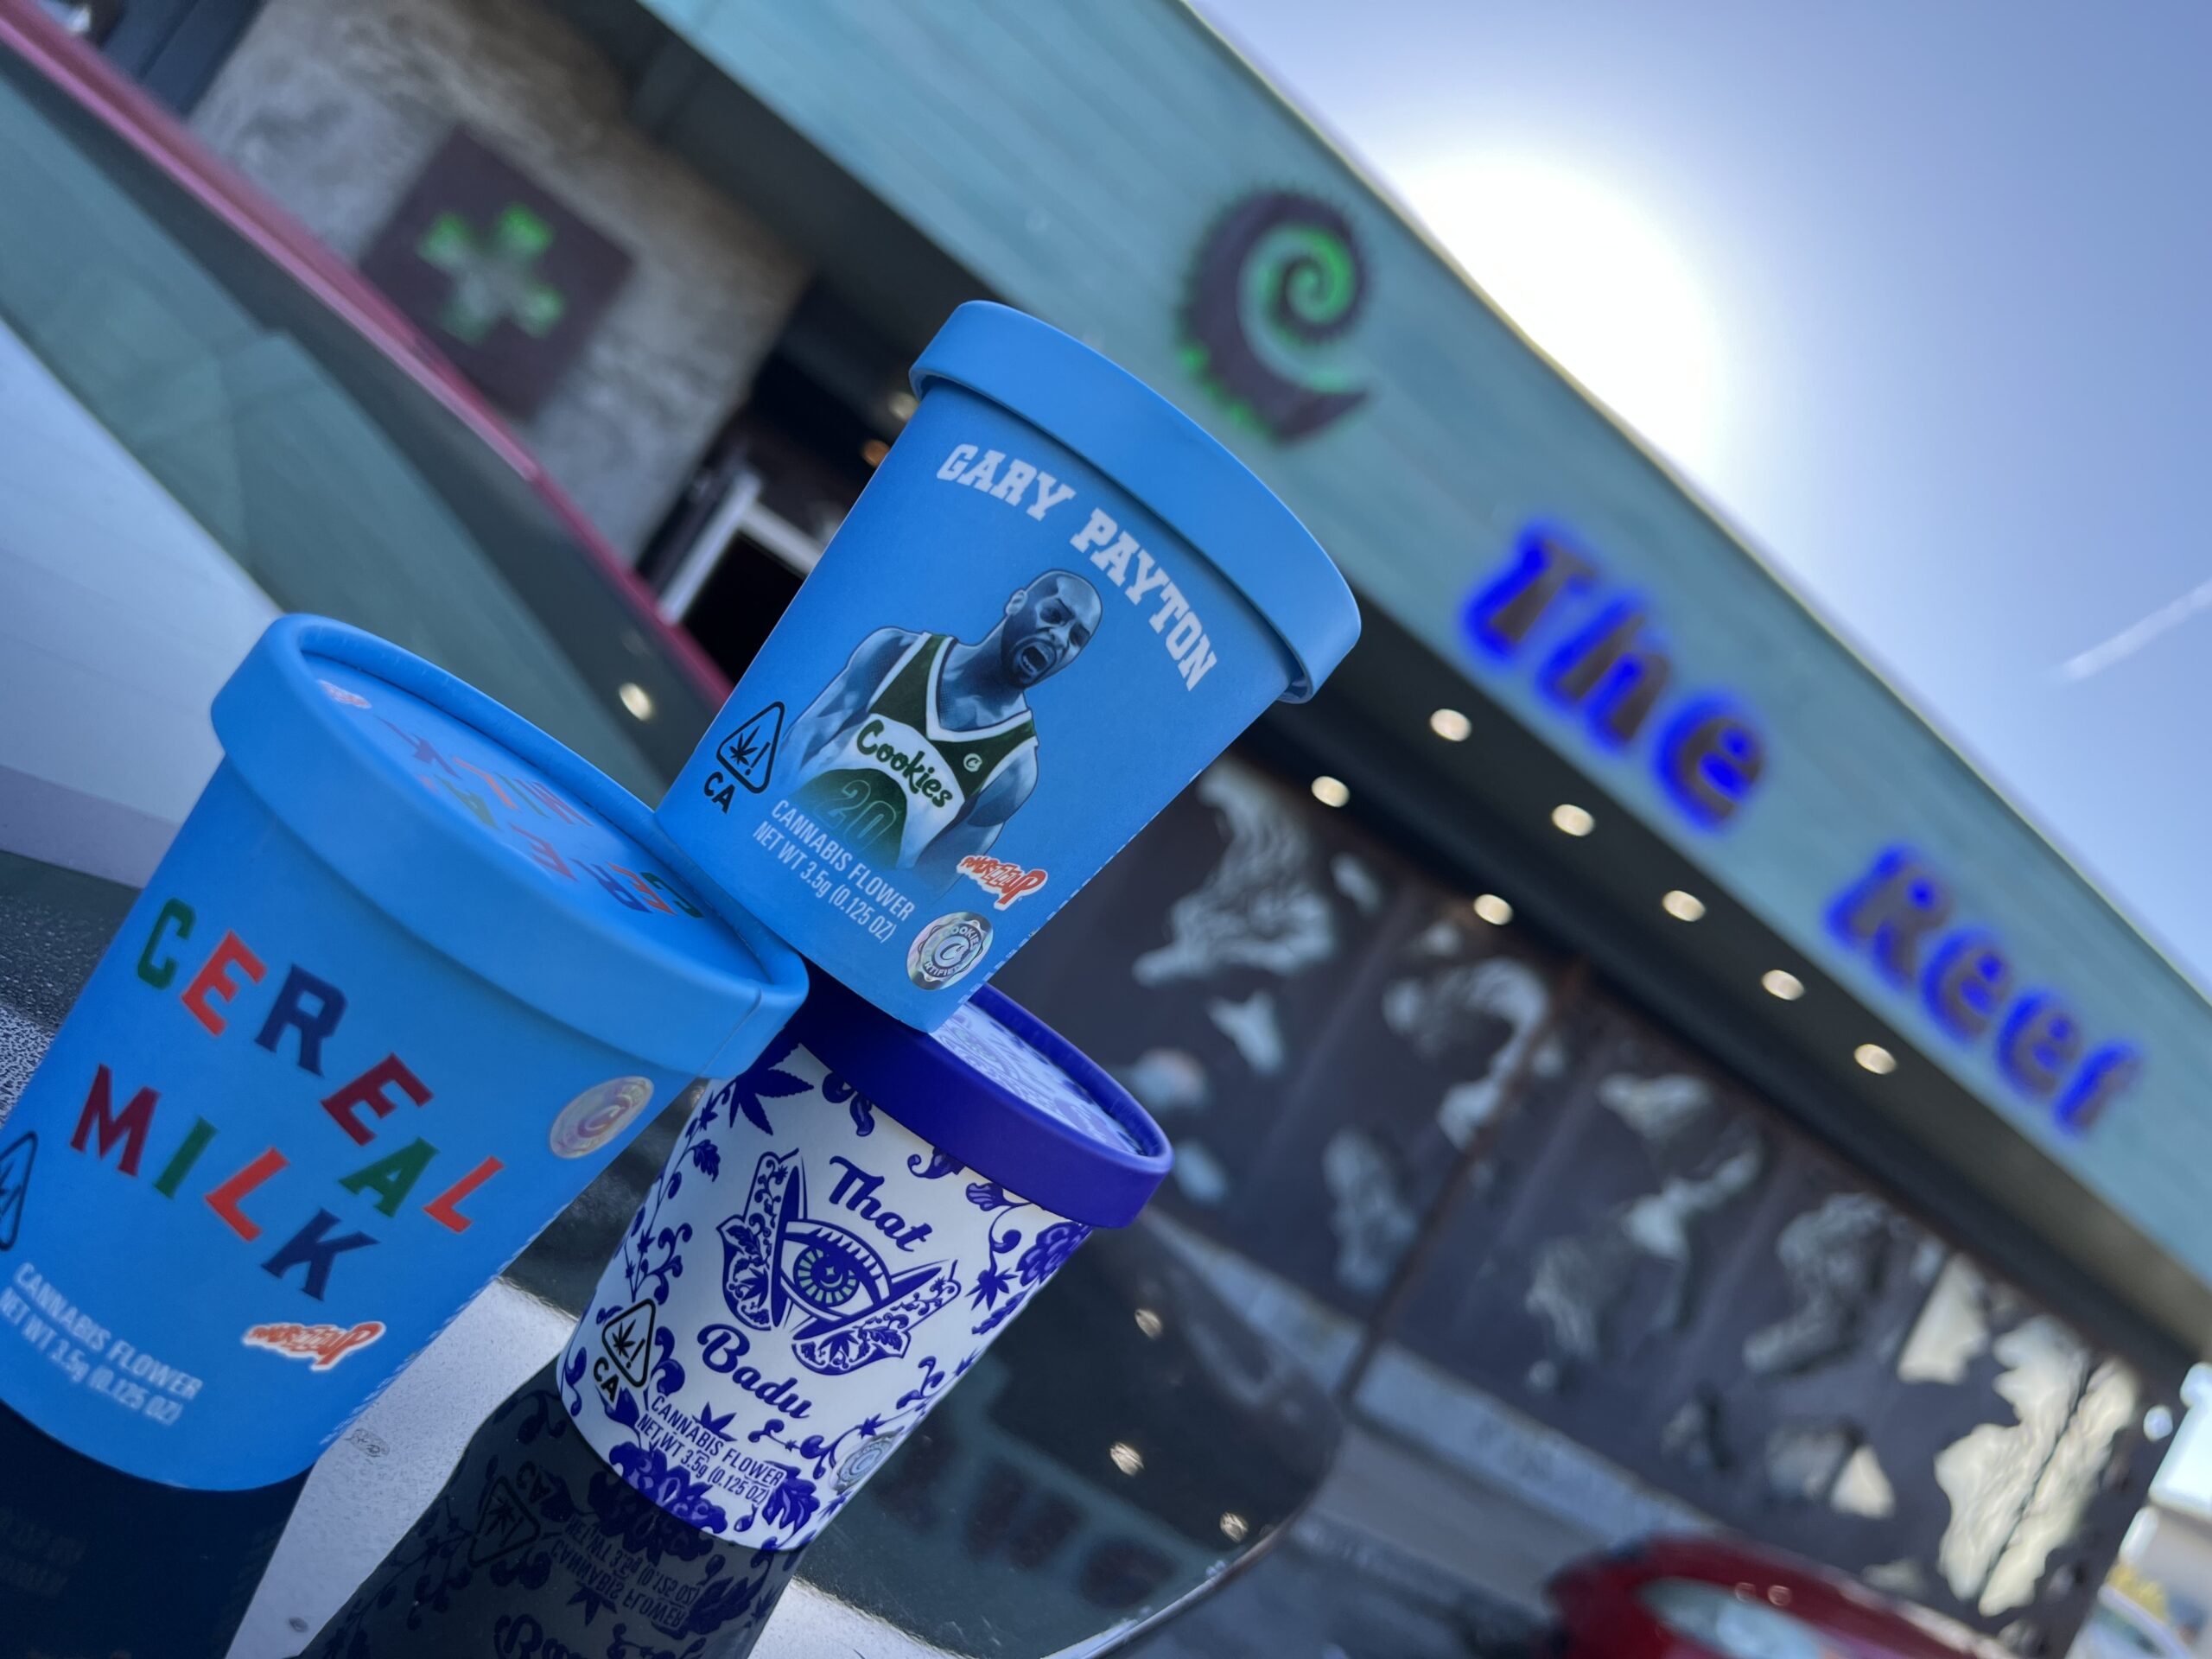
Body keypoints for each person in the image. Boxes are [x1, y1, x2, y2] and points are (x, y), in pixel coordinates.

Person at [786, 570, 1102, 881]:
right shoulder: (897, 651)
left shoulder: (1016, 770)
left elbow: (931, 881)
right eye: (1054, 615)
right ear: (1017, 602)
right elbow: (805, 737)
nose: (1059, 639)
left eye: (1075, 639)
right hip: (786, 843)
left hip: (846, 899)